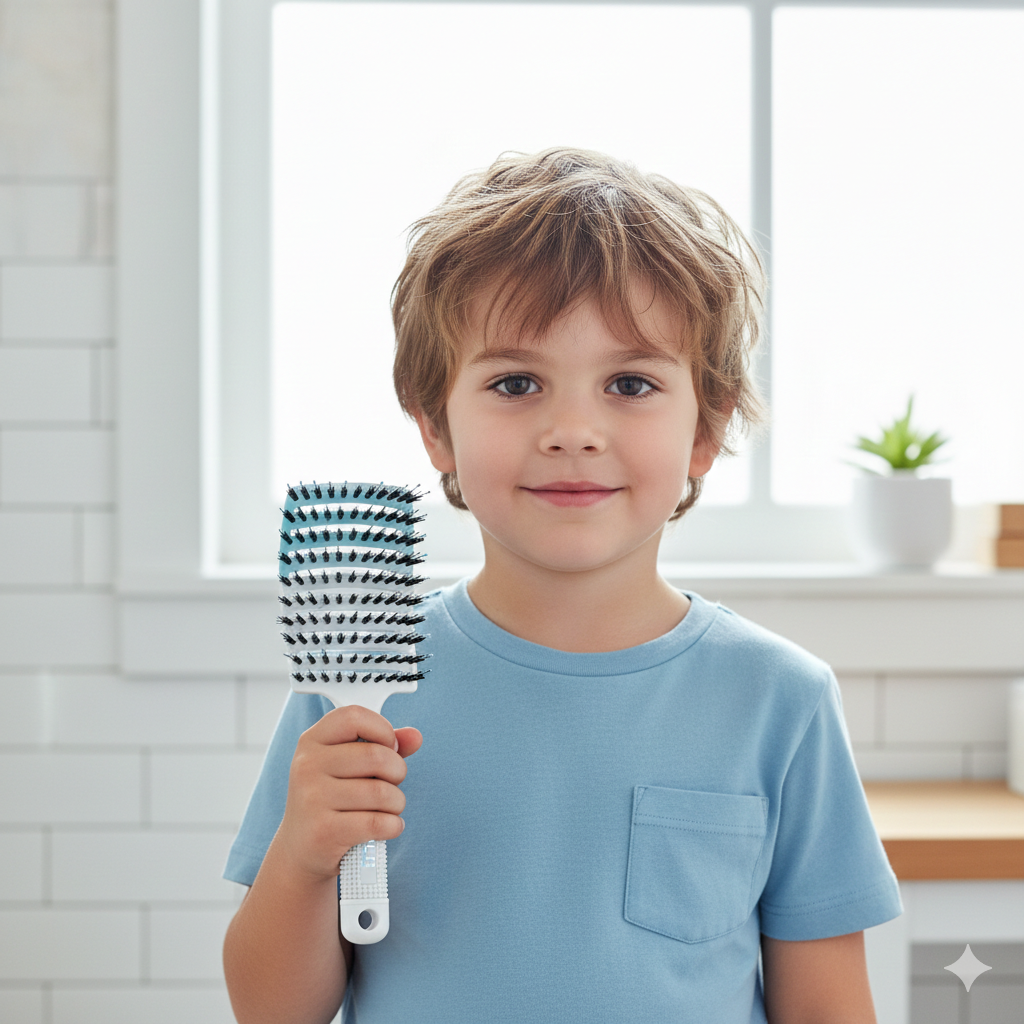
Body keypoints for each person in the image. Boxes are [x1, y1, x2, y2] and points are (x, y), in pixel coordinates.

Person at [222, 147, 902, 1023]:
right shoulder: (359, 698)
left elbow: (827, 1004)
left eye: (631, 383)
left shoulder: (779, 700)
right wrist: (304, 856)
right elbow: (274, 1011)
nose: (572, 430)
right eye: (516, 383)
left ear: (708, 428)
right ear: (435, 427)